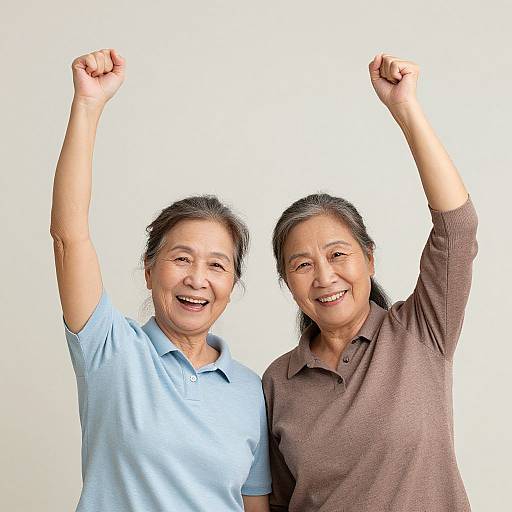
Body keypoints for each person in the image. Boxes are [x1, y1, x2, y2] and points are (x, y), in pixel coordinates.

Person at [50, 48, 271, 512]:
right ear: (150, 270)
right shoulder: (111, 350)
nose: (197, 278)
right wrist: (88, 106)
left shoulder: (250, 390)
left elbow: (255, 506)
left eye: (217, 265)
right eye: (181, 258)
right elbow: (69, 235)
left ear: (233, 283)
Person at [262, 53, 478, 511]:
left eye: (338, 255)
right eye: (302, 265)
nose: (325, 277)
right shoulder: (278, 382)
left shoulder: (421, 331)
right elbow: (278, 502)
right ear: (287, 282)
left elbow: (456, 227)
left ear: (370, 259)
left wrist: (405, 108)